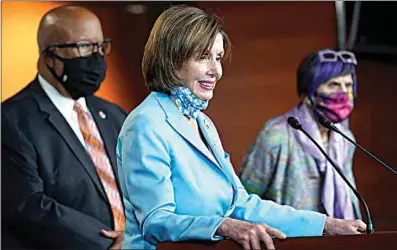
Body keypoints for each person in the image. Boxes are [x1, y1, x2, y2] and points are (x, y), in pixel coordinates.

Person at [117, 6, 366, 250]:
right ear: (171, 59)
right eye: (204, 57)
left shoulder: (203, 122)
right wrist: (224, 226)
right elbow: (155, 221)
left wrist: (326, 224)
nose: (216, 71)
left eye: (218, 57)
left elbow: (242, 205)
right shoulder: (146, 124)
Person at [2, 5, 127, 249]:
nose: (96, 57)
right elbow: (26, 205)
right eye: (84, 47)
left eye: (101, 47)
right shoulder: (11, 120)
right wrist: (111, 242)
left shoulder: (114, 115)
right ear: (50, 57)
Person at [240, 49, 361, 221]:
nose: (343, 93)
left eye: (348, 85)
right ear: (308, 92)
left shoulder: (345, 139)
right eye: (333, 85)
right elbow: (244, 199)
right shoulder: (276, 136)